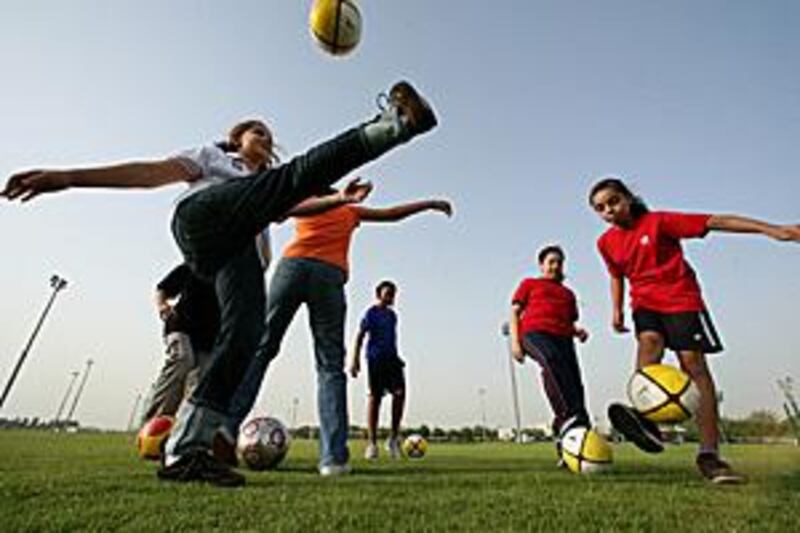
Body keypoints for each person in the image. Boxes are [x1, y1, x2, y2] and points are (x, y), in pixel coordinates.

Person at [2, 80, 438, 487]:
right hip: (201, 218)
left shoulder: (264, 189)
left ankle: (186, 448)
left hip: (235, 250)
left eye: (269, 137)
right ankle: (394, 124)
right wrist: (68, 178)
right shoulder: (213, 158)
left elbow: (295, 204)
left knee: (248, 336)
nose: (266, 141)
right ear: (236, 140)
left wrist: (339, 199)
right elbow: (150, 172)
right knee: (291, 178)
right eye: (258, 134)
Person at [588, 177, 800, 484]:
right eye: (600, 208)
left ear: (629, 198)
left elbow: (716, 221)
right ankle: (647, 419)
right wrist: (617, 310)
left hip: (681, 300)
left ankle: (709, 454)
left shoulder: (660, 222)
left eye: (613, 201)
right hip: (644, 304)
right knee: (648, 342)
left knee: (693, 364)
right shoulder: (605, 243)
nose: (609, 210)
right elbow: (616, 275)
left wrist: (773, 230)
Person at [227, 194, 452, 474]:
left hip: (292, 267)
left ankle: (225, 430)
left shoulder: (305, 201)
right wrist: (427, 204)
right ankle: (333, 459)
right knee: (330, 366)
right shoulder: (348, 210)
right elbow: (392, 212)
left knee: (261, 348)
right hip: (328, 276)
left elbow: (274, 210)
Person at [508, 245, 590, 464]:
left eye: (559, 262)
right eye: (551, 261)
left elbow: (568, 322)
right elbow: (515, 313)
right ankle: (568, 418)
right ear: (541, 265)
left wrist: (577, 331)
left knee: (575, 387)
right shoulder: (529, 284)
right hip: (534, 333)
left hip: (563, 338)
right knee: (551, 362)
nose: (555, 266)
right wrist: (515, 342)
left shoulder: (568, 294)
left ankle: (572, 439)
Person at [349, 280, 407, 460]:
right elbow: (360, 336)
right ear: (379, 294)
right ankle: (372, 444)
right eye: (388, 293)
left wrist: (397, 356)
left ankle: (393, 439)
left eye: (393, 294)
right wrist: (354, 360)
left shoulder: (392, 316)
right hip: (375, 360)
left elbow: (391, 338)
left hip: (392, 359)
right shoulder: (371, 313)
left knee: (400, 394)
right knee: (375, 398)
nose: (391, 297)